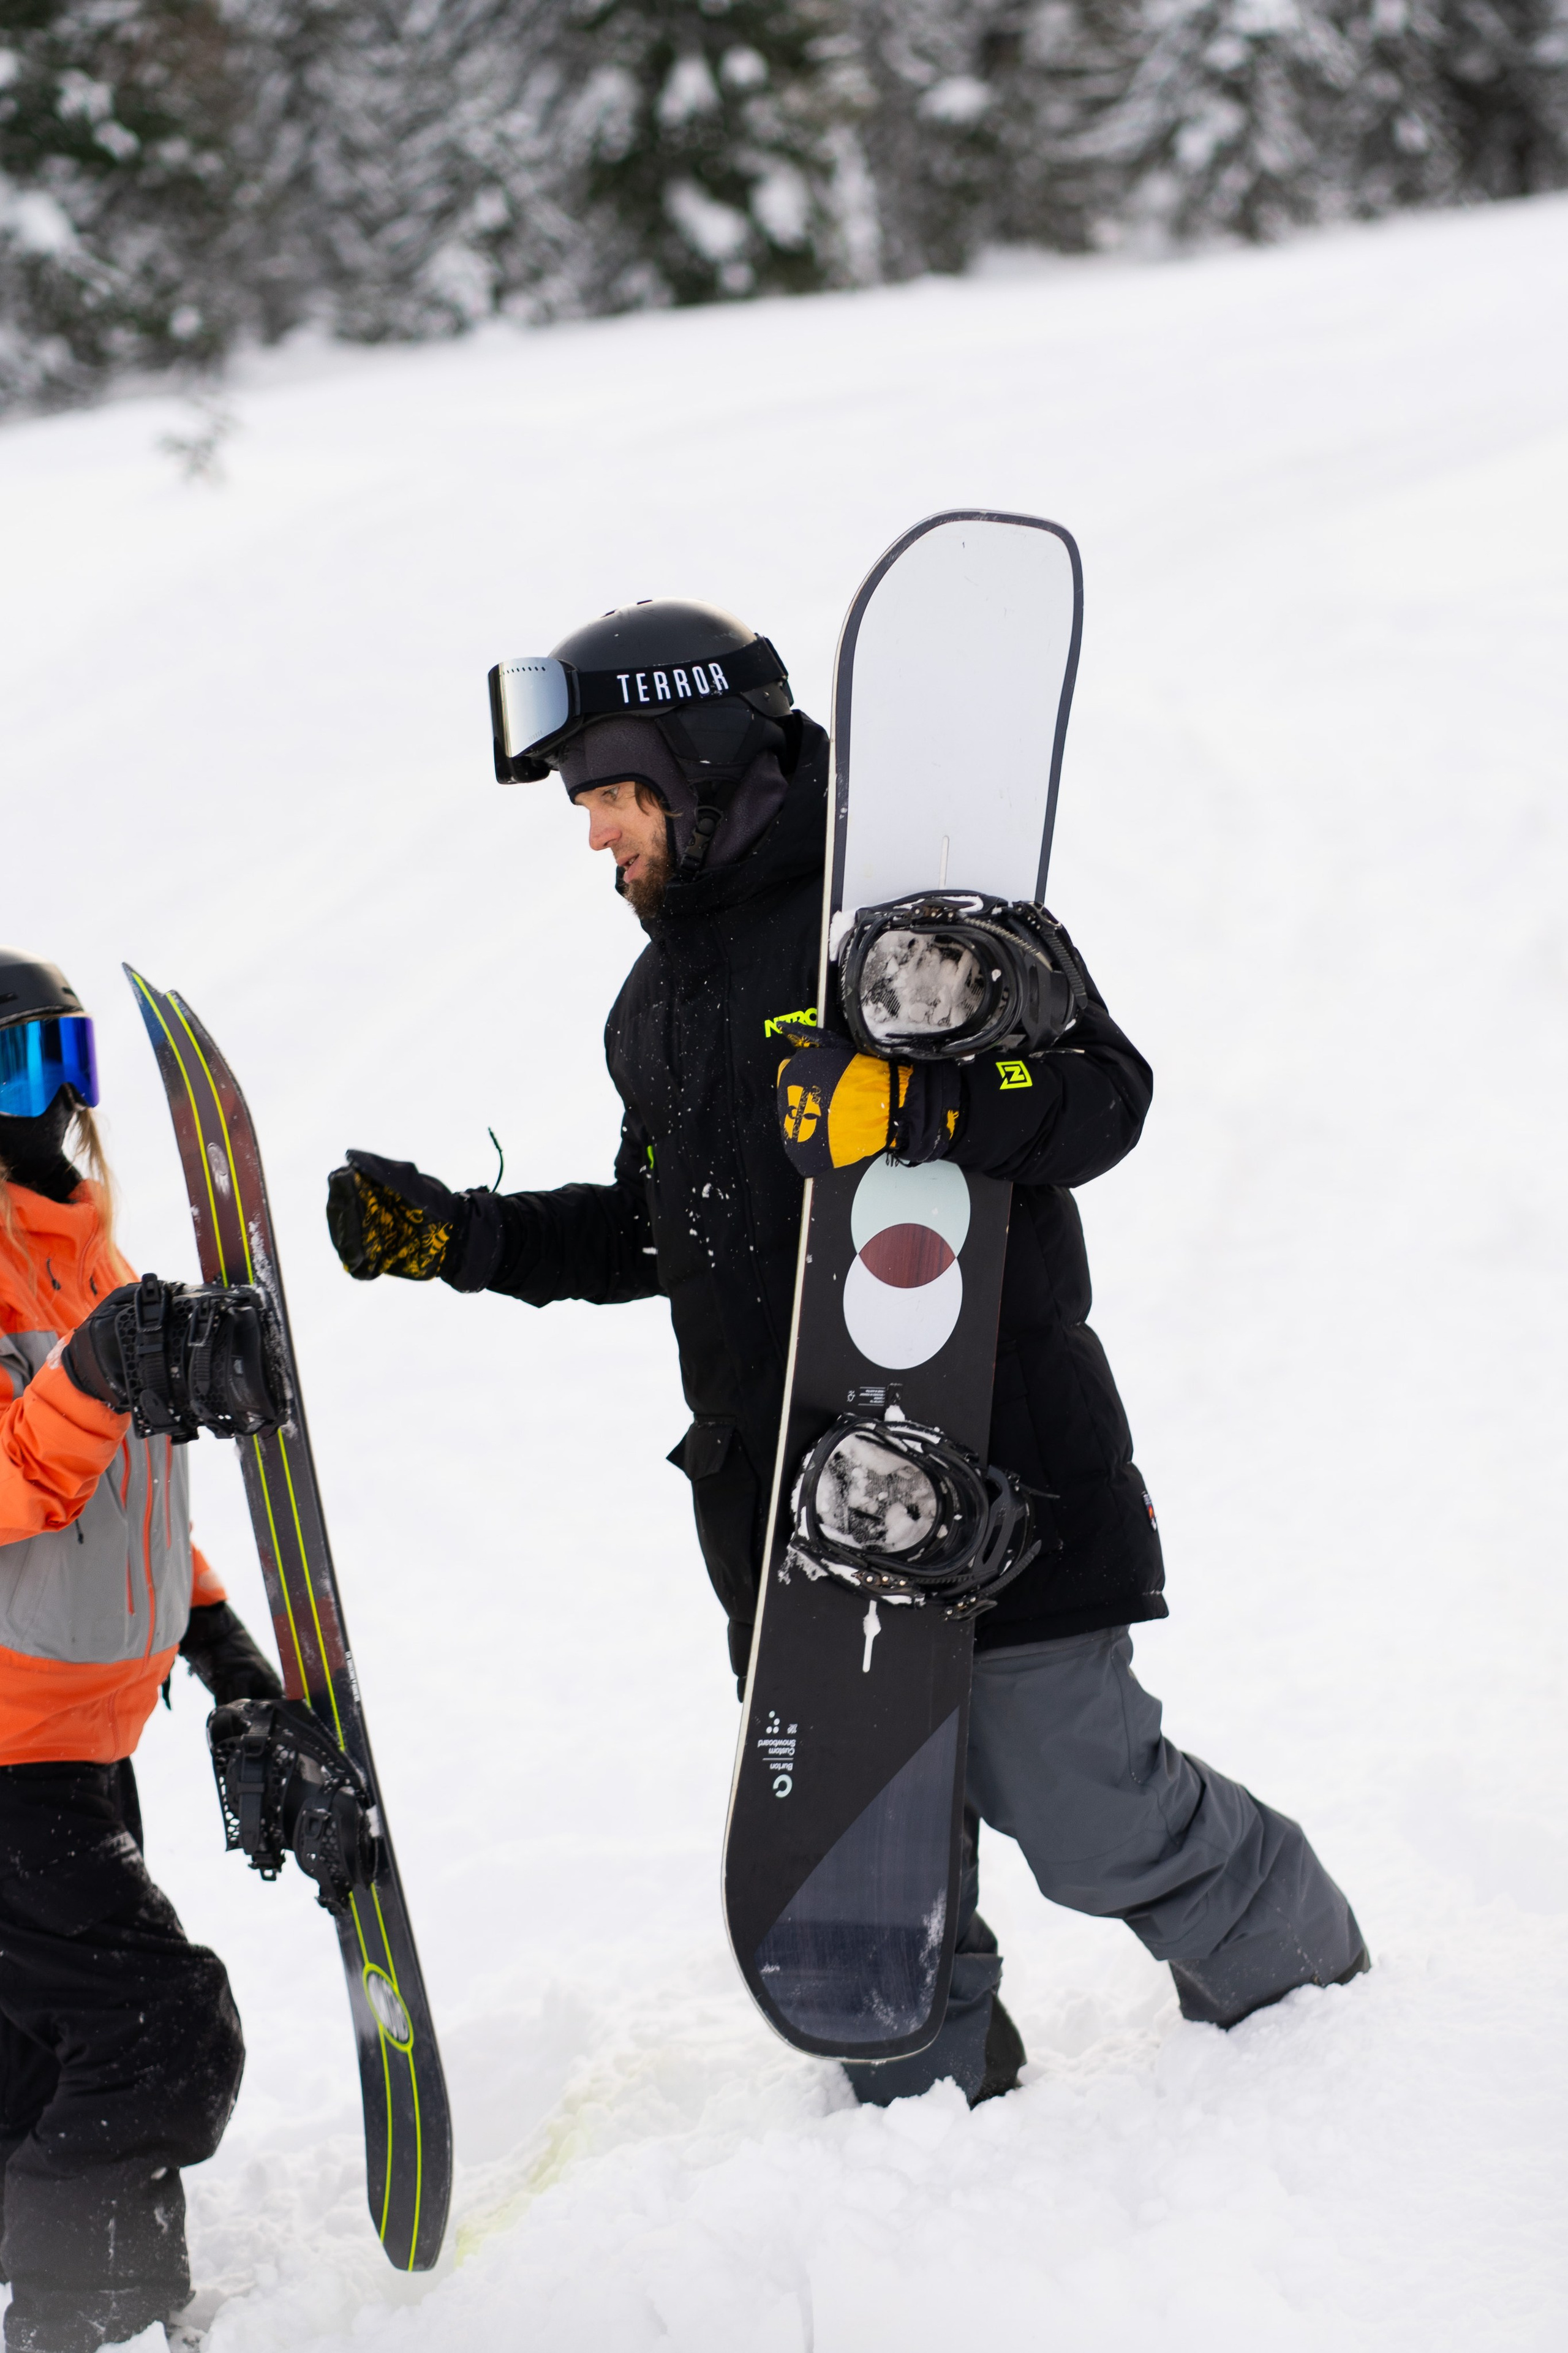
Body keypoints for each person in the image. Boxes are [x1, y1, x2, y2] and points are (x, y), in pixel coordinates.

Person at [326, 599, 1368, 2108]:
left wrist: (918, 1110)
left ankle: (1327, 2030)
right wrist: (467, 1239)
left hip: (998, 1454)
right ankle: (926, 2139)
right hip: (782, 1504)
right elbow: (661, 1228)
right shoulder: (658, 1000)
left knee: (1080, 1809)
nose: (595, 835)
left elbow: (1102, 1099)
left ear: (694, 763)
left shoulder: (902, 908)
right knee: (870, 1865)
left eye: (611, 793)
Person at [0, 951, 281, 2353]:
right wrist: (94, 1376)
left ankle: (110, 2293)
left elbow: (132, 1508)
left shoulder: (80, 1250)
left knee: (45, 2049)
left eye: (61, 1066)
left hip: (77, 1744)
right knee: (160, 2031)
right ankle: (84, 2308)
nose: (43, 1109)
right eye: (9, 1072)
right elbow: (20, 1472)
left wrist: (229, 1656)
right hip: (3, 1764)